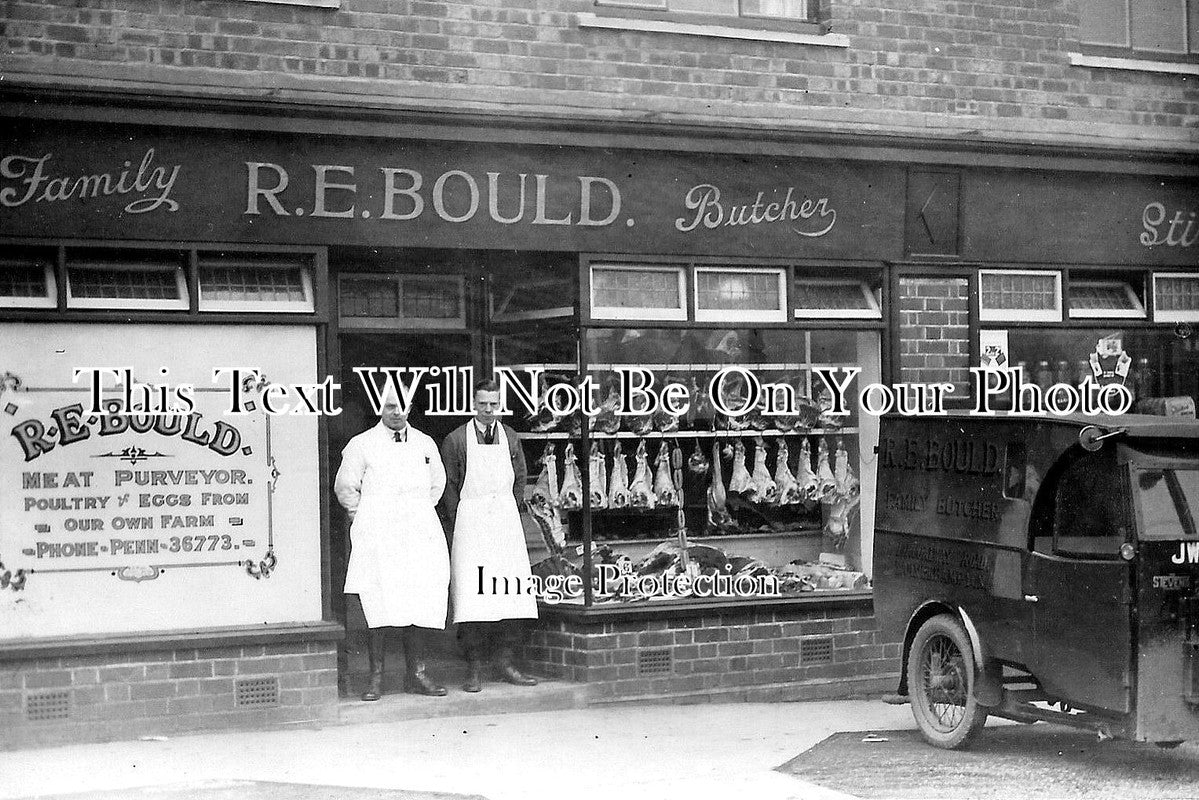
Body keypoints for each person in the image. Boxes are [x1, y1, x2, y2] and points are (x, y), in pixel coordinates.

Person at [334, 387, 450, 700]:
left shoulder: (425, 444)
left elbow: (437, 484)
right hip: (379, 535)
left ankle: (417, 674)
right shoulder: (361, 445)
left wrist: (415, 513)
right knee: (380, 605)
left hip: (416, 535)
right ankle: (376, 679)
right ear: (380, 408)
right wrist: (365, 516)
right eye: (389, 406)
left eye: (401, 406)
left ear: (410, 407)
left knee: (416, 603)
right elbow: (346, 487)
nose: (396, 412)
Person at [441, 378, 539, 693]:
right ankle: (473, 668)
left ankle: (506, 662)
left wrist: (505, 510)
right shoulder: (456, 440)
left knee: (510, 593)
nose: (488, 409)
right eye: (483, 403)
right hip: (471, 524)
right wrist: (462, 521)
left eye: (493, 404)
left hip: (505, 524)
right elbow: (449, 486)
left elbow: (520, 477)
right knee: (473, 597)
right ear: (474, 403)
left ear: (500, 404)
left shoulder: (510, 438)